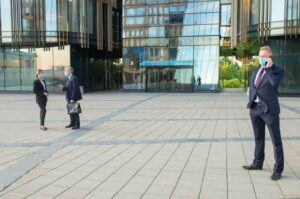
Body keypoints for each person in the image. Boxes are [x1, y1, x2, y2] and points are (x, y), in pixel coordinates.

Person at [243, 46, 284, 181]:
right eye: (259, 56)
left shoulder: (277, 72)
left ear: (270, 58)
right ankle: (257, 162)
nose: (261, 59)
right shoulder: (255, 71)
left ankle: (278, 170)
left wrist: (268, 68)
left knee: (276, 141)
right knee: (258, 138)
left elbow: (273, 84)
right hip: (255, 109)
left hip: (269, 110)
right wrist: (250, 102)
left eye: (264, 57)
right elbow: (252, 87)